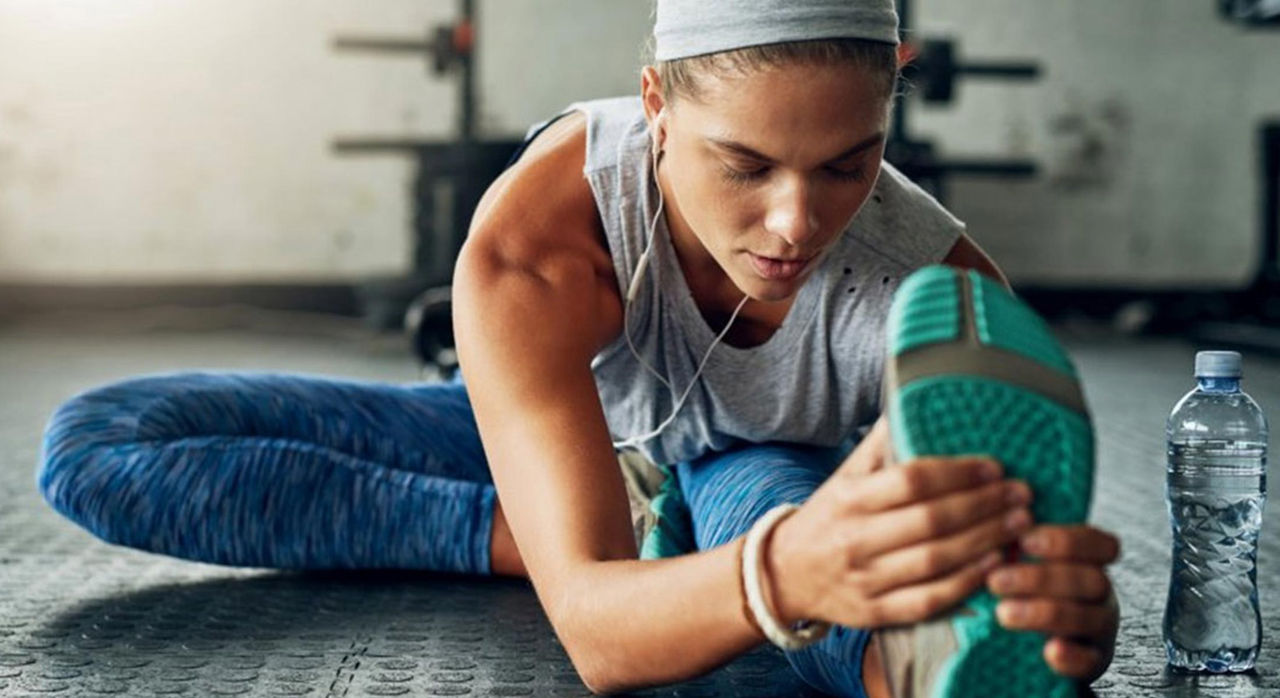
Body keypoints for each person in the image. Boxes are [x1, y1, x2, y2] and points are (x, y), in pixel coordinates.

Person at [36, 1, 1120, 696]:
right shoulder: (534, 242)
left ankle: (866, 648)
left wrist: (1027, 593)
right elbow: (600, 639)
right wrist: (605, 564)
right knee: (98, 445)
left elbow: (977, 532)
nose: (795, 222)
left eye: (849, 165)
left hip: (768, 475)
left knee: (772, 502)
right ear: (653, 104)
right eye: (742, 165)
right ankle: (547, 534)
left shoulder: (935, 289)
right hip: (571, 436)